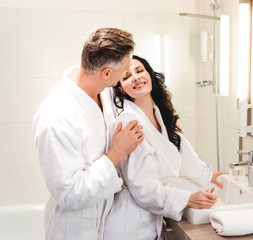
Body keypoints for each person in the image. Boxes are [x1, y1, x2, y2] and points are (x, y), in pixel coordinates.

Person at [32, 28, 144, 240]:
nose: (128, 72)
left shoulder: (101, 89)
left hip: (103, 220)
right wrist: (117, 152)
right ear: (107, 73)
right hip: (75, 230)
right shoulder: (57, 118)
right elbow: (70, 194)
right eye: (126, 71)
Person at [104, 55, 223, 240]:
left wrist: (208, 175)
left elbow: (181, 152)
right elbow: (143, 187)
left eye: (139, 70)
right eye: (127, 76)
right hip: (130, 226)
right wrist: (187, 199)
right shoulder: (130, 122)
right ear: (121, 88)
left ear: (150, 74)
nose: (135, 77)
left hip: (147, 221)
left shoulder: (159, 114)